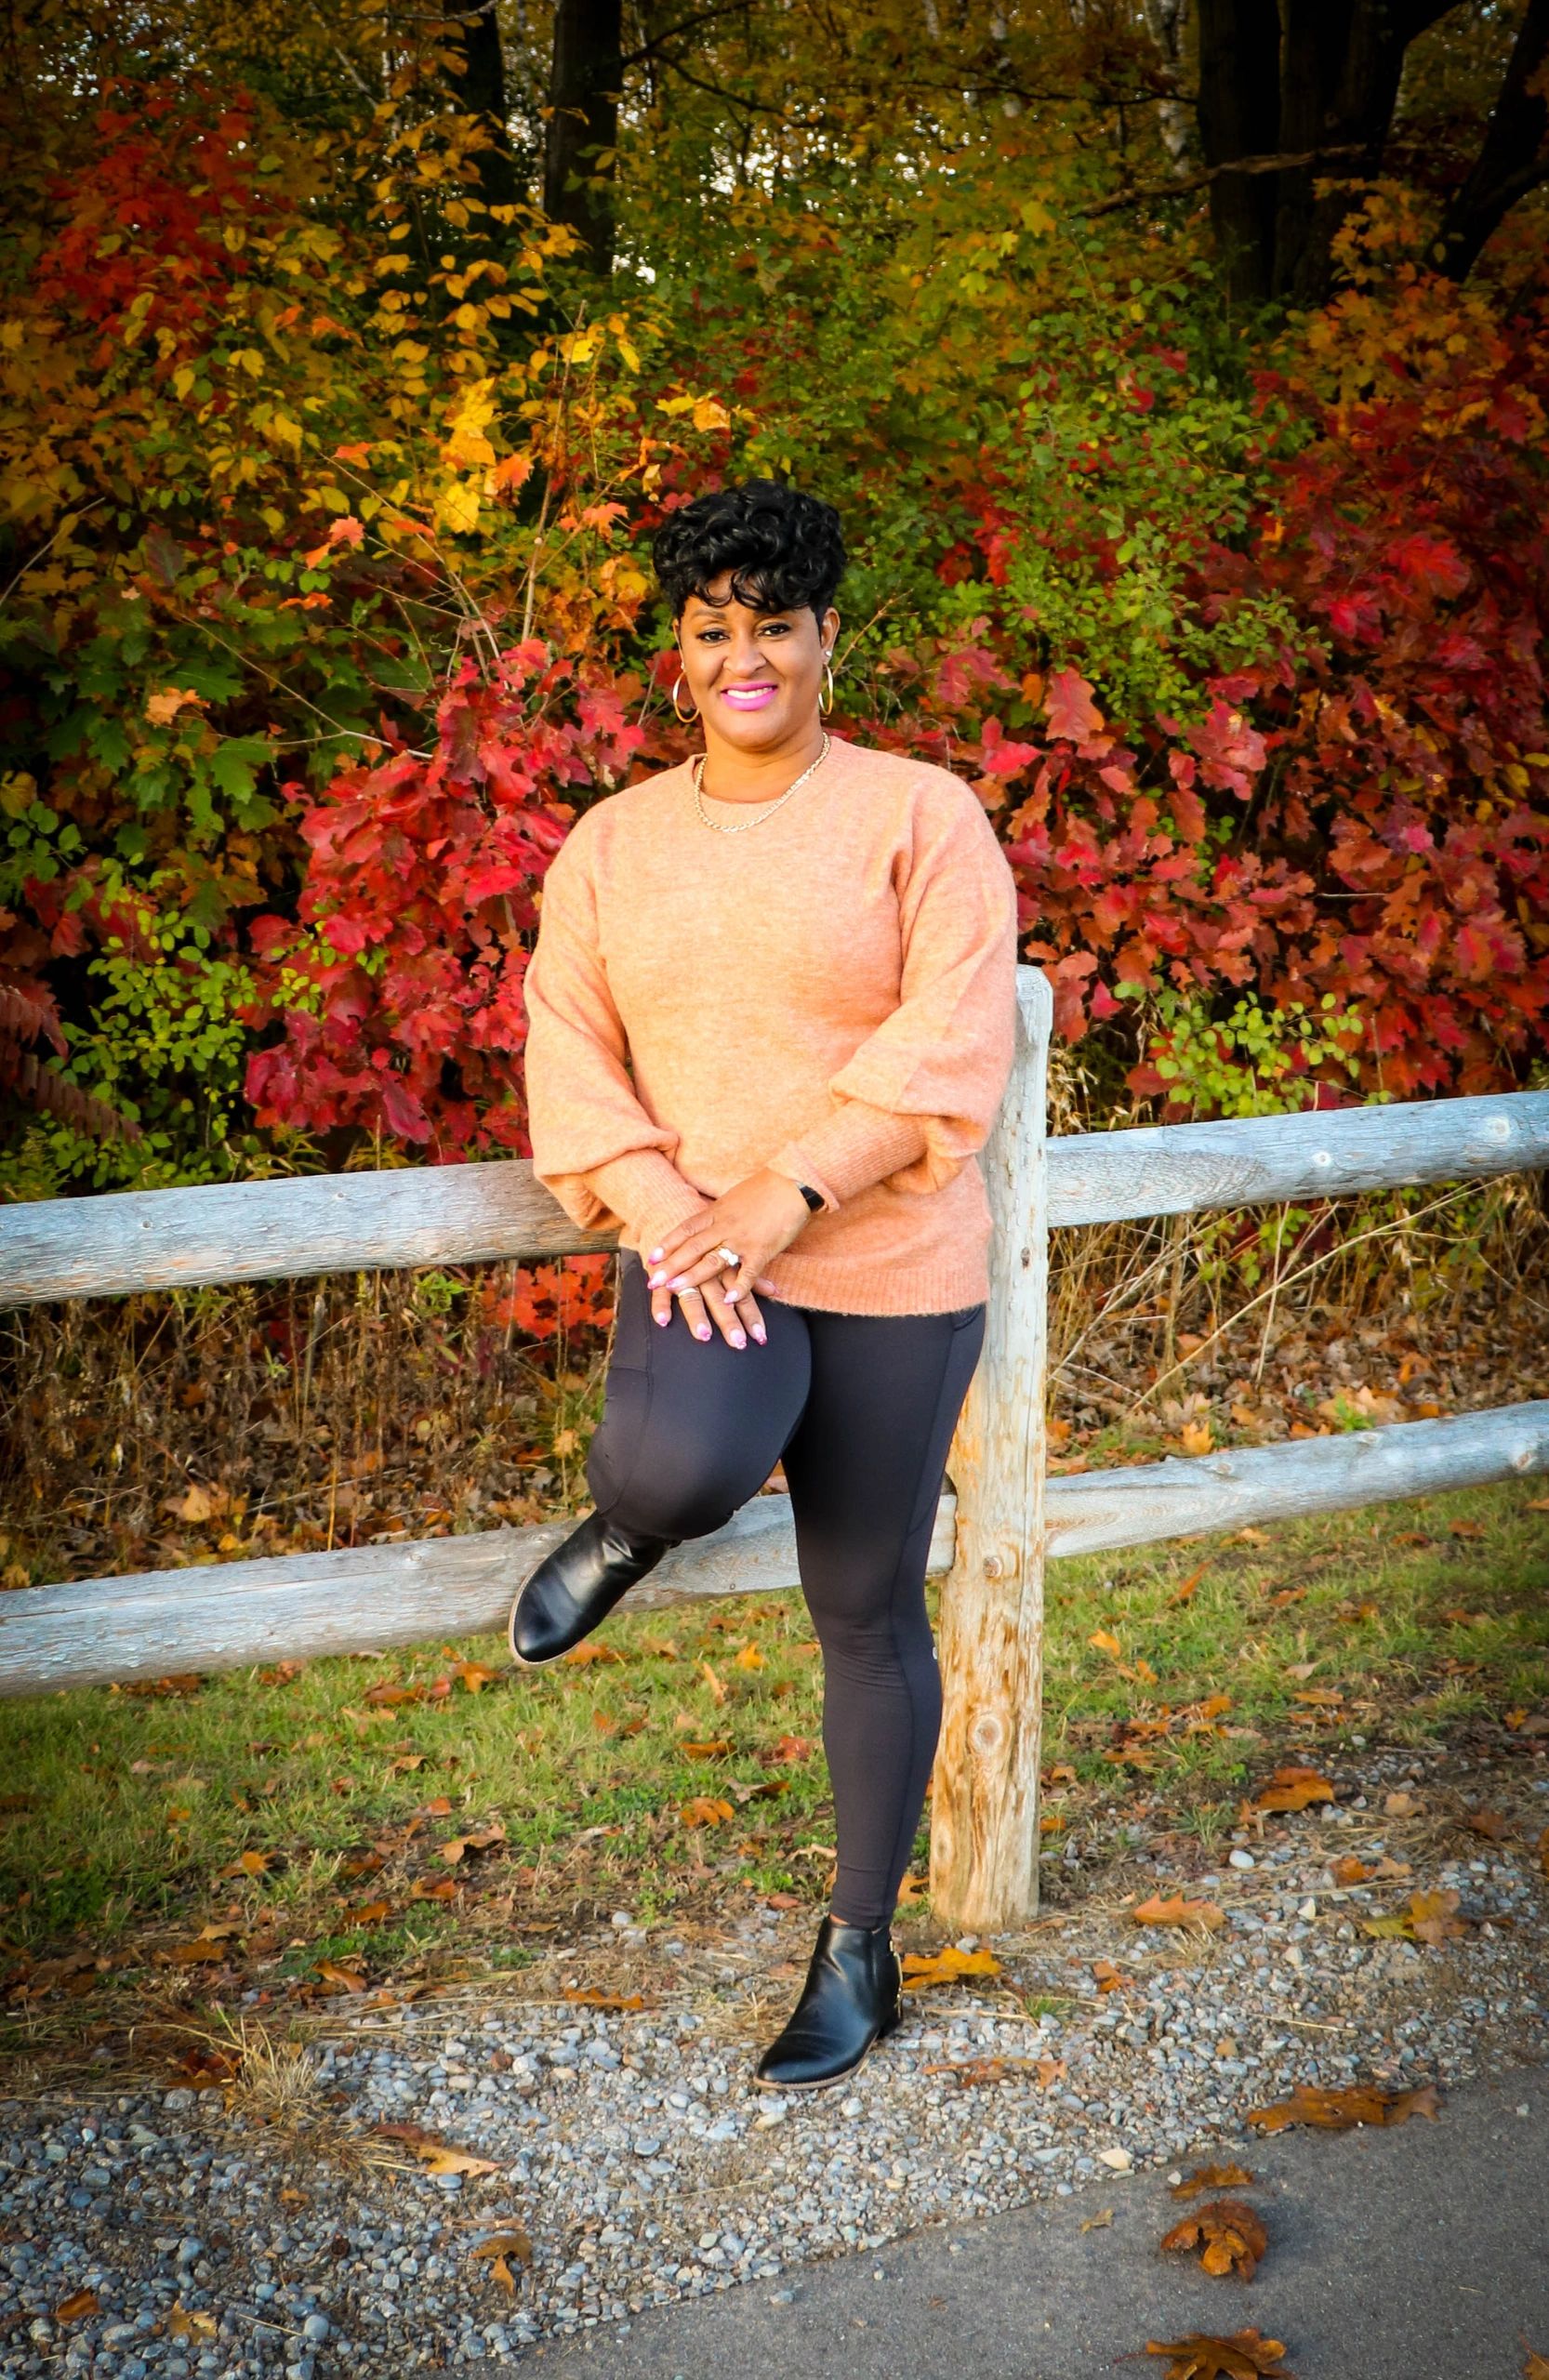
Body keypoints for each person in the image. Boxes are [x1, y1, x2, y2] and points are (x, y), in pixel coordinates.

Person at [512, 477, 1020, 2092]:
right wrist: (674, 1207)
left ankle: (857, 1951)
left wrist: (789, 1185)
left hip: (880, 1249)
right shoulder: (611, 845)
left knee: (863, 1606)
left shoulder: (919, 814)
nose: (745, 658)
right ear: (680, 655)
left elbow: (952, 1033)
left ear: (825, 641)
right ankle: (624, 1529)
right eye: (712, 630)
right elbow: (568, 1043)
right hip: (699, 1250)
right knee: (680, 1456)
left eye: (775, 628)